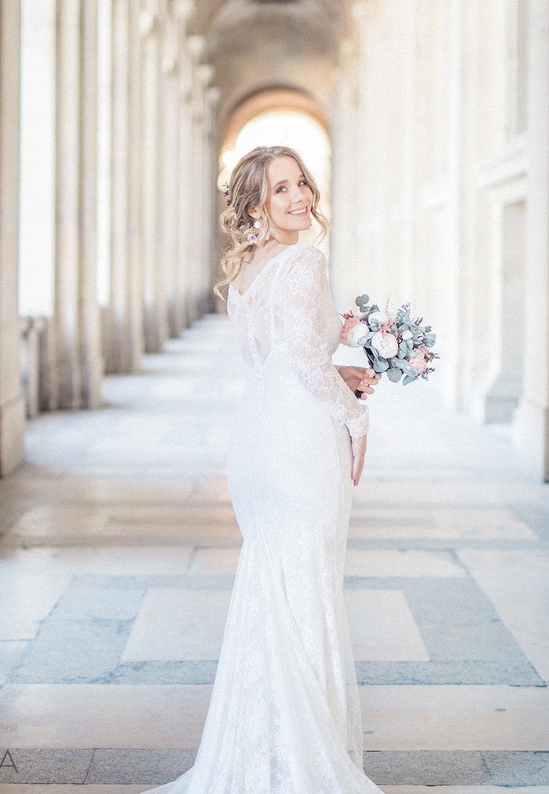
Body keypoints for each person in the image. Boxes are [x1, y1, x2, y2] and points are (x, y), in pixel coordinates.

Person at [145, 145, 382, 793]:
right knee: (306, 586)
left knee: (273, 587)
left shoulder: (250, 270)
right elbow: (305, 365)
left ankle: (261, 749)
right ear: (255, 206)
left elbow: (285, 352)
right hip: (301, 441)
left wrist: (354, 335)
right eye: (281, 190)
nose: (300, 196)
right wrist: (356, 417)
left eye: (301, 182)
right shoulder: (304, 260)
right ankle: (305, 762)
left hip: (257, 441)